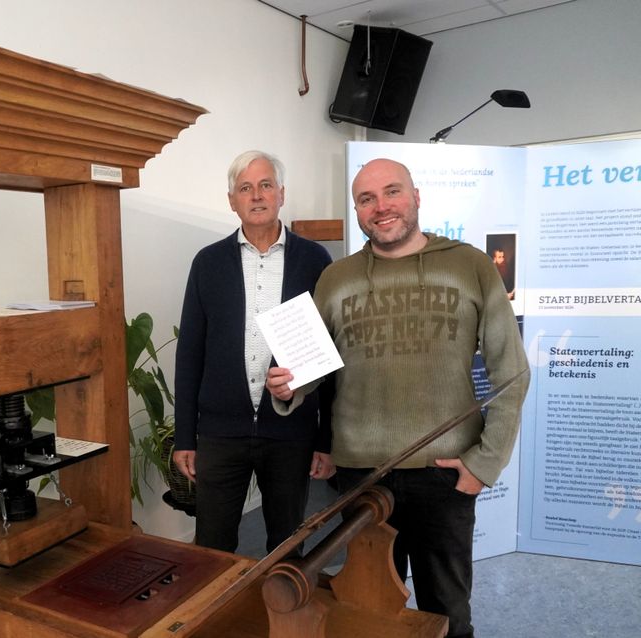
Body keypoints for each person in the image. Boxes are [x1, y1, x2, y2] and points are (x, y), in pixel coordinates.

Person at [267, 158, 529, 637]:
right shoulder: (337, 278)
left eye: (392, 192)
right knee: (370, 605)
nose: (381, 207)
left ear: (416, 197)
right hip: (362, 474)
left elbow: (511, 372)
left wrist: (484, 464)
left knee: (447, 608)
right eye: (366, 199)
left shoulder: (470, 265)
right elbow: (310, 373)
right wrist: (287, 386)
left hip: (444, 473)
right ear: (357, 210)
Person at [173, 150, 334, 554]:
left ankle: (284, 616)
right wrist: (183, 437)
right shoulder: (207, 263)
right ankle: (219, 617)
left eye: (265, 185)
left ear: (281, 193)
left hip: (291, 433)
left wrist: (325, 439)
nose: (257, 195)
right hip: (220, 433)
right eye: (245, 188)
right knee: (212, 545)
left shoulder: (315, 260)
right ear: (232, 200)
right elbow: (190, 352)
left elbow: (330, 353)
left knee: (287, 544)